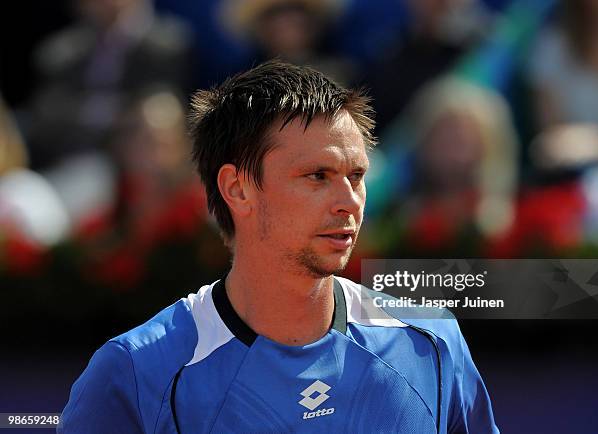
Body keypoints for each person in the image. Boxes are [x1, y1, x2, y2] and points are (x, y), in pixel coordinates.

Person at [58, 60, 499, 433]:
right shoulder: (135, 371)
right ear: (238, 188)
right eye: (317, 176)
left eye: (357, 176)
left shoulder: (432, 341)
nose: (349, 201)